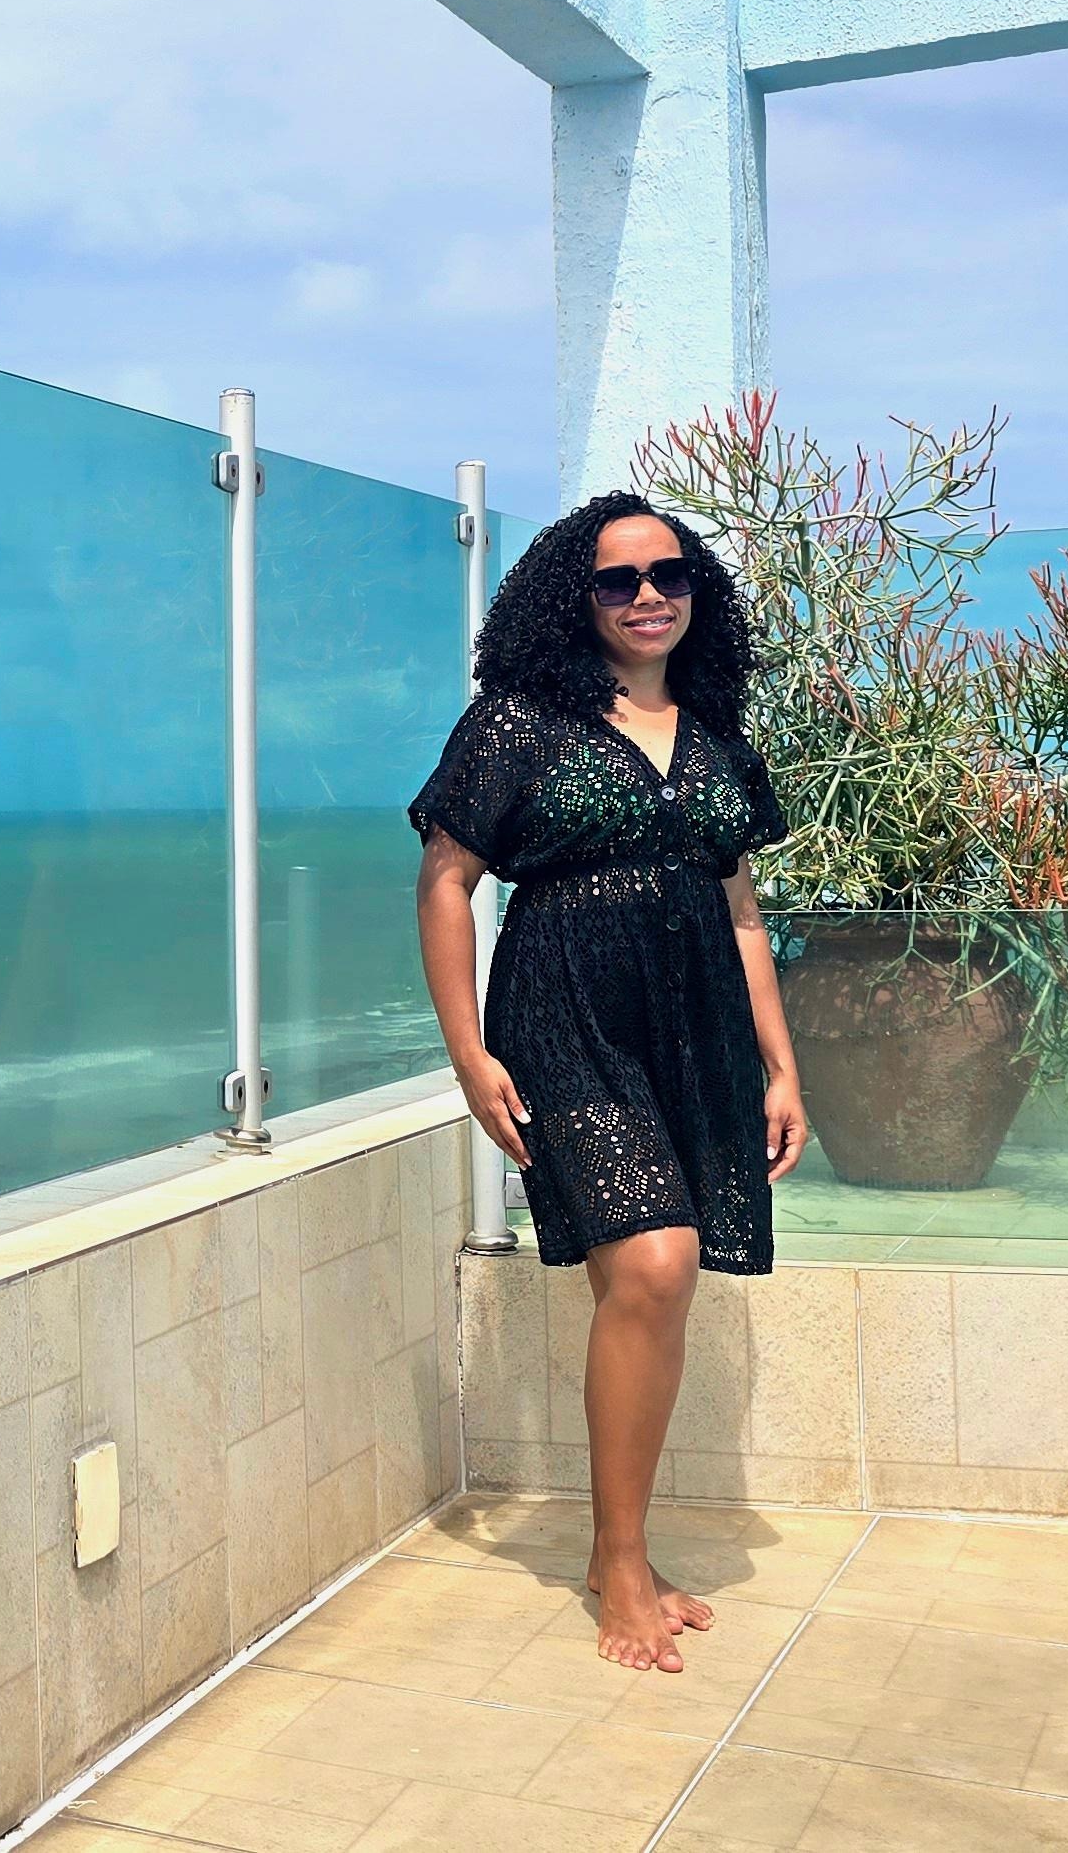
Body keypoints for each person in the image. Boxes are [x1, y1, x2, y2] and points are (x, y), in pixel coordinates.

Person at [409, 491, 807, 1674]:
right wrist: (468, 1052)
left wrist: (781, 1063)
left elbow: (740, 909)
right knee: (655, 1261)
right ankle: (622, 1559)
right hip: (564, 1015)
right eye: (617, 579)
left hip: (695, 1025)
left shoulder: (716, 732)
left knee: (650, 1282)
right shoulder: (518, 721)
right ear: (569, 599)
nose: (646, 596)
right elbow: (445, 882)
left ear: (697, 592)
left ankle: (614, 1545)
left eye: (668, 574)